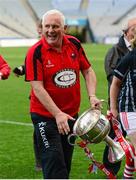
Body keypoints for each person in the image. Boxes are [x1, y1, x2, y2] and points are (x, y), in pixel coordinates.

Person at [25, 9, 101, 179]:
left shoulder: (74, 43)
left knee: (65, 164)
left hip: (71, 116)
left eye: (55, 26)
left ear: (64, 28)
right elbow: (37, 88)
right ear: (42, 28)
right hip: (45, 117)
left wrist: (92, 96)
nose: (50, 30)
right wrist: (57, 113)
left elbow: (88, 71)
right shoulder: (35, 52)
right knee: (54, 164)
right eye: (47, 26)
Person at [104, 17, 136, 177]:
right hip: (122, 104)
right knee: (114, 137)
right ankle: (110, 170)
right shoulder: (116, 51)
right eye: (134, 29)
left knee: (126, 146)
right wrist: (113, 107)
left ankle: (126, 174)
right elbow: (113, 80)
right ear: (126, 32)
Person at [13, 19, 43, 171]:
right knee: (39, 131)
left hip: (59, 95)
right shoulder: (34, 49)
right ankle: (39, 162)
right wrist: (21, 69)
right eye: (39, 27)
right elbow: (33, 67)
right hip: (38, 98)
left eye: (41, 27)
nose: (40, 30)